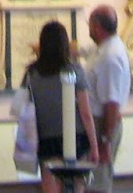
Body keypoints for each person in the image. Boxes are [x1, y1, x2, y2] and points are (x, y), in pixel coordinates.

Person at [19, 20, 99, 193]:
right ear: (65, 44)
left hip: (45, 139)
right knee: (77, 186)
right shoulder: (74, 70)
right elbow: (85, 112)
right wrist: (94, 145)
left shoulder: (31, 73)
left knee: (50, 188)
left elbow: (20, 109)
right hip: (76, 138)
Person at [85, 5, 131, 190]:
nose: (88, 29)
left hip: (103, 125)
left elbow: (111, 104)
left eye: (89, 24)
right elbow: (82, 50)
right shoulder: (105, 48)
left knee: (98, 183)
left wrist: (105, 141)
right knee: (92, 180)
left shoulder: (110, 57)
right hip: (99, 125)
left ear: (96, 26)